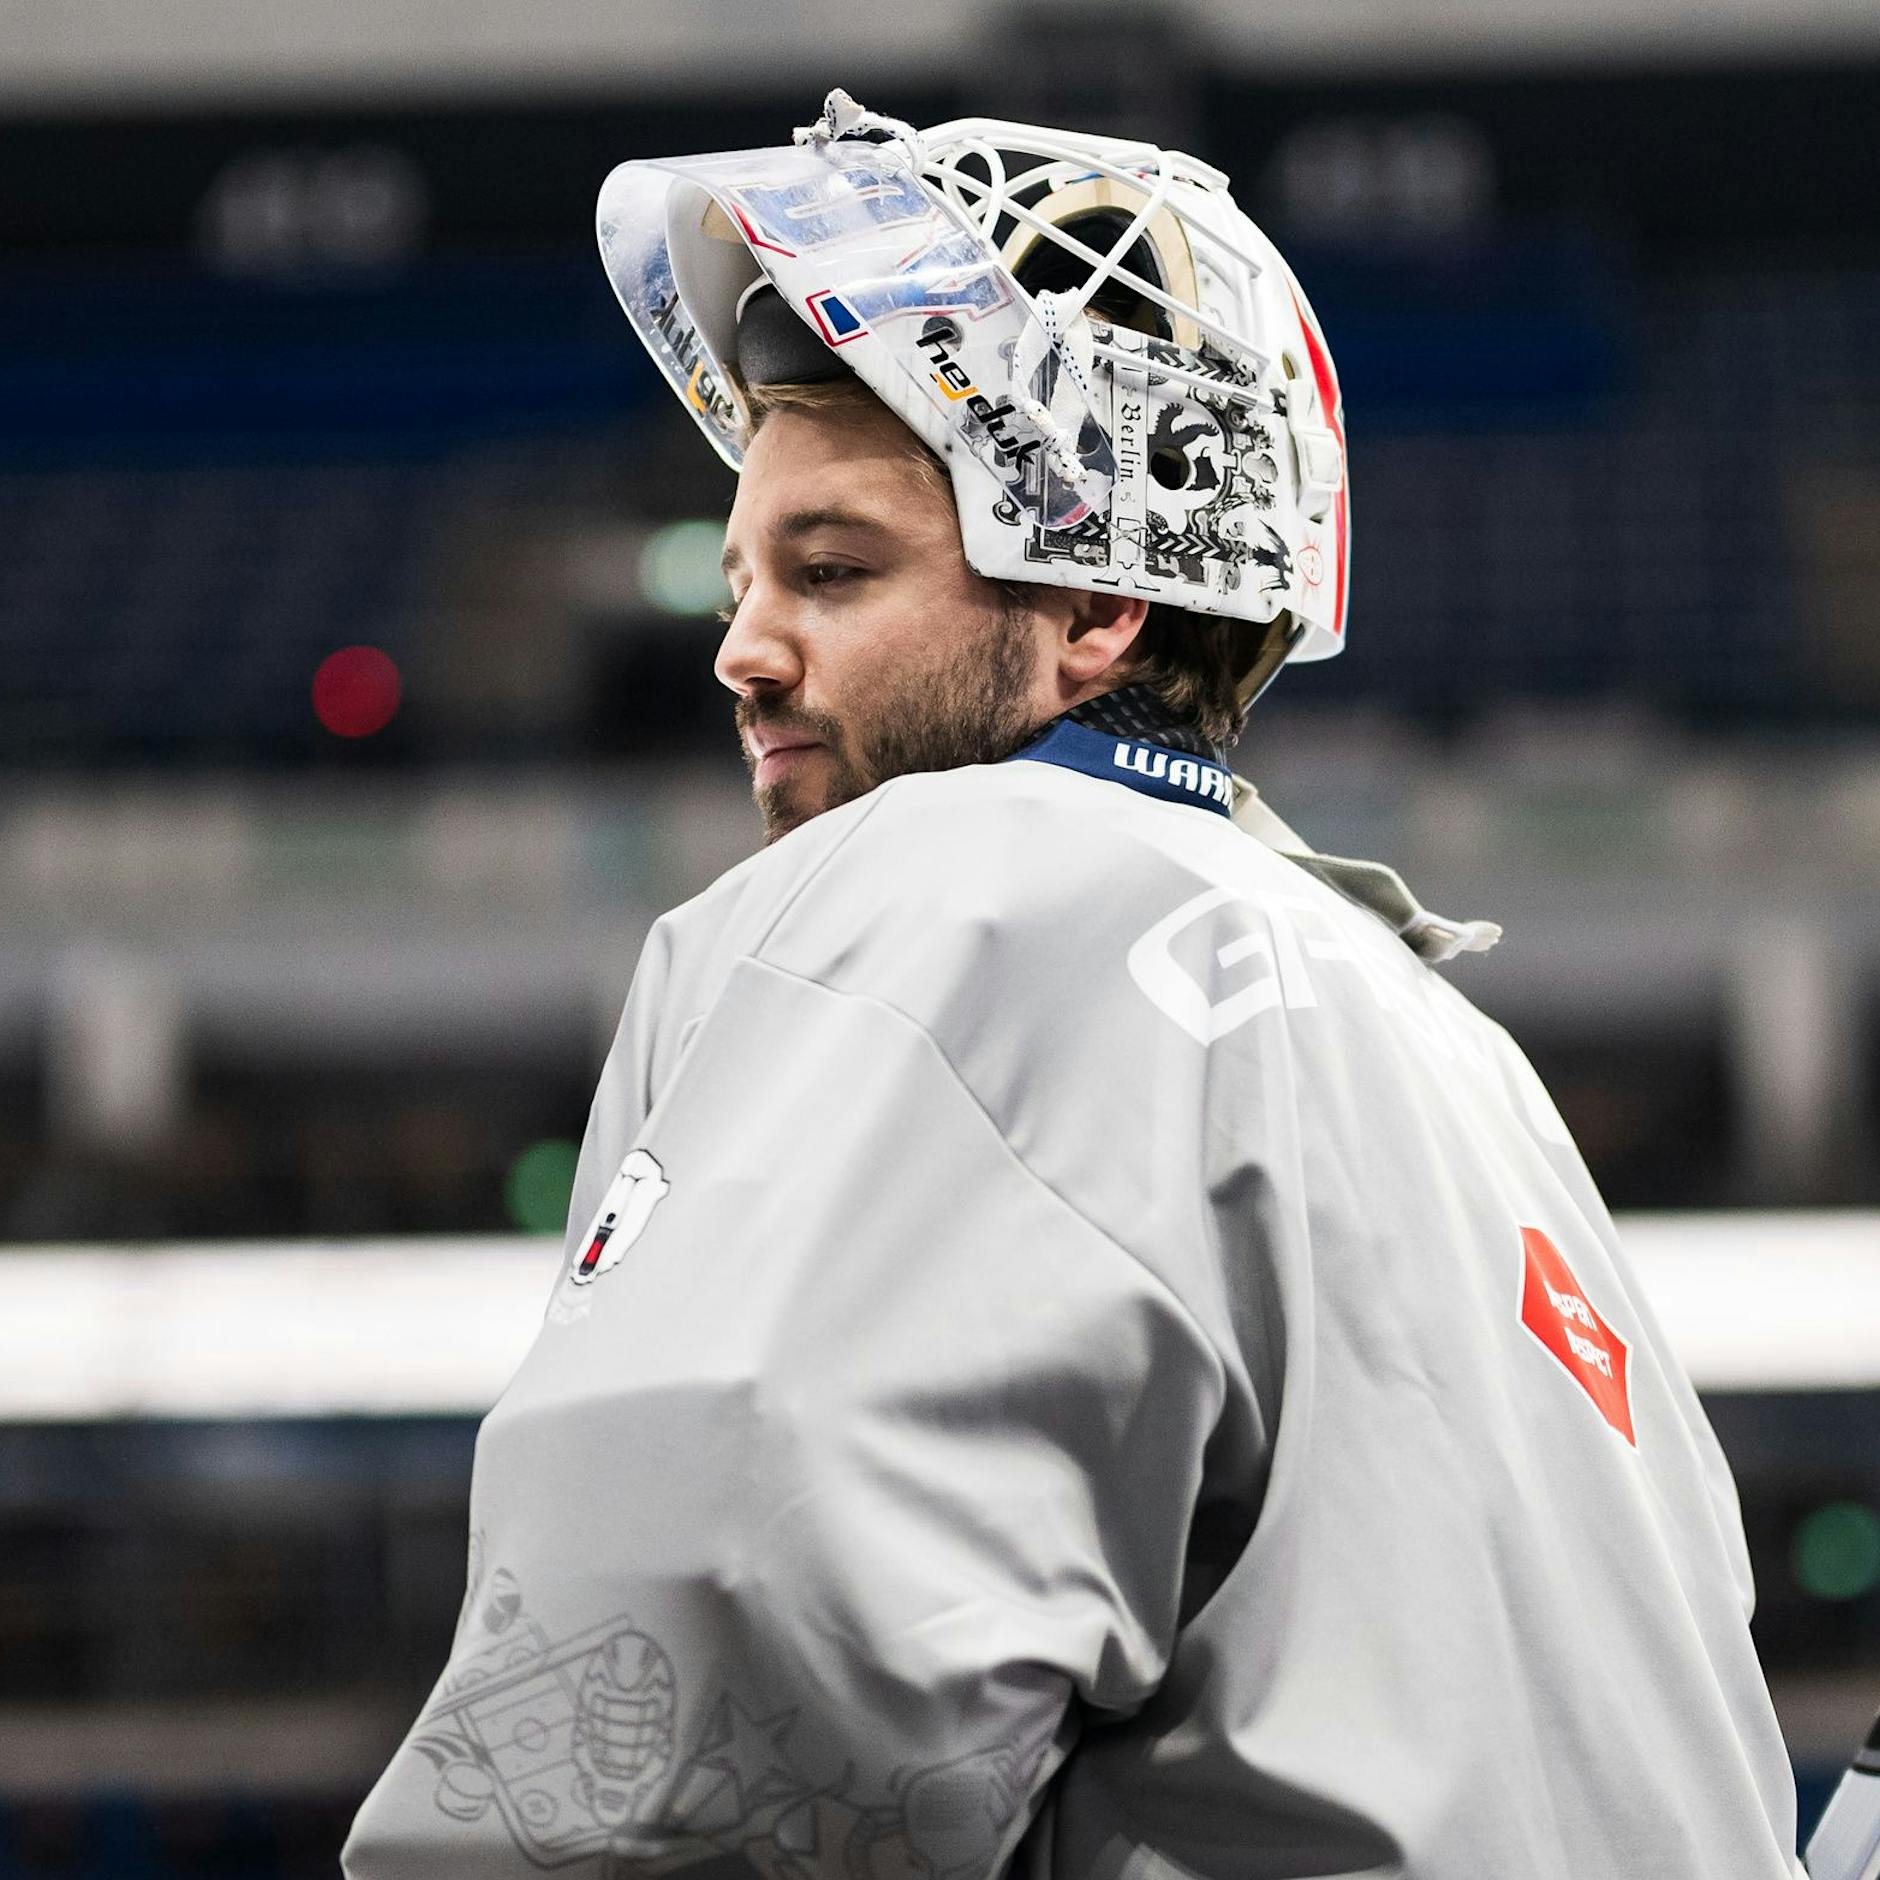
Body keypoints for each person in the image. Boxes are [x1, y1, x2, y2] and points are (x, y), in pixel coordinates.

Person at [344, 95, 1801, 1880]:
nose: (740, 647)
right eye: (743, 577)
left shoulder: (955, 893)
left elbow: (698, 1687)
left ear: (1097, 601)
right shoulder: (1444, 1045)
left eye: (833, 569)